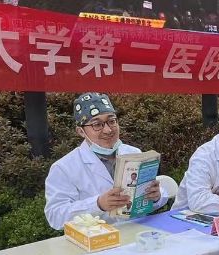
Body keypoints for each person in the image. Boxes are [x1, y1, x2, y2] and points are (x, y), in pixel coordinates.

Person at [44, 93, 166, 229]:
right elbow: (55, 216)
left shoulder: (134, 153)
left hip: (138, 231)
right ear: (81, 131)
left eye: (112, 121)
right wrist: (98, 204)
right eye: (97, 124)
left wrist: (156, 197)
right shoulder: (64, 167)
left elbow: (153, 199)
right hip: (96, 238)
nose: (108, 130)